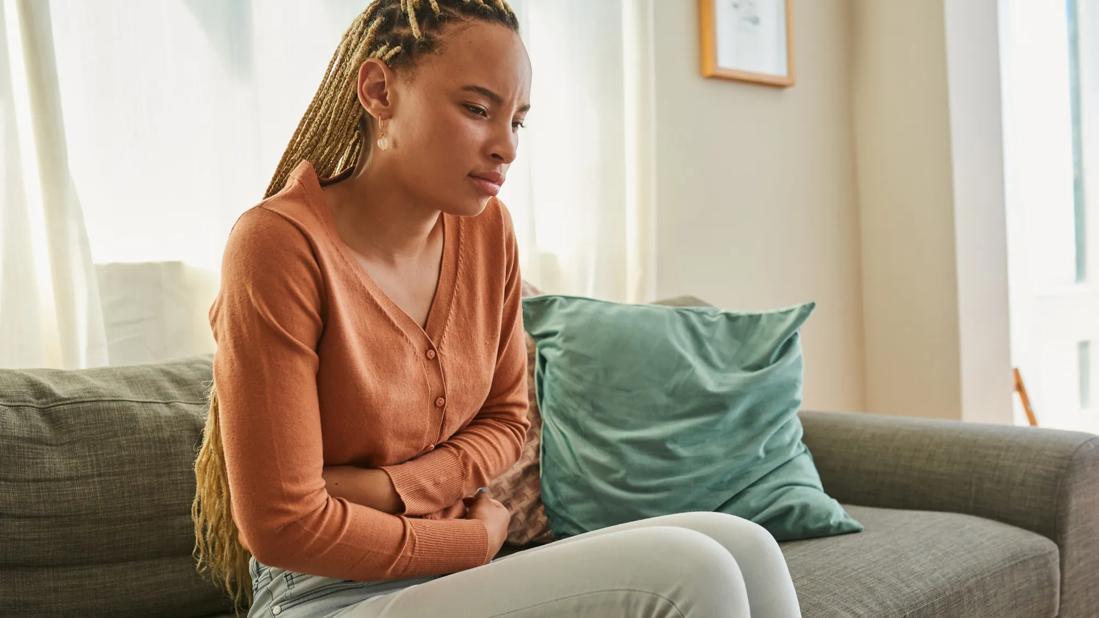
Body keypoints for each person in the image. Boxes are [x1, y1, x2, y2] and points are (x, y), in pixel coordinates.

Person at [191, 1, 803, 616]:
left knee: (743, 544)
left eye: (518, 121)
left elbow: (507, 420)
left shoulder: (489, 233)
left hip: (455, 576)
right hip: (322, 593)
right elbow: (284, 529)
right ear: (379, 91)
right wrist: (470, 538)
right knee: (691, 571)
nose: (505, 146)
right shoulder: (278, 245)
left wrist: (386, 489)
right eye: (477, 109)